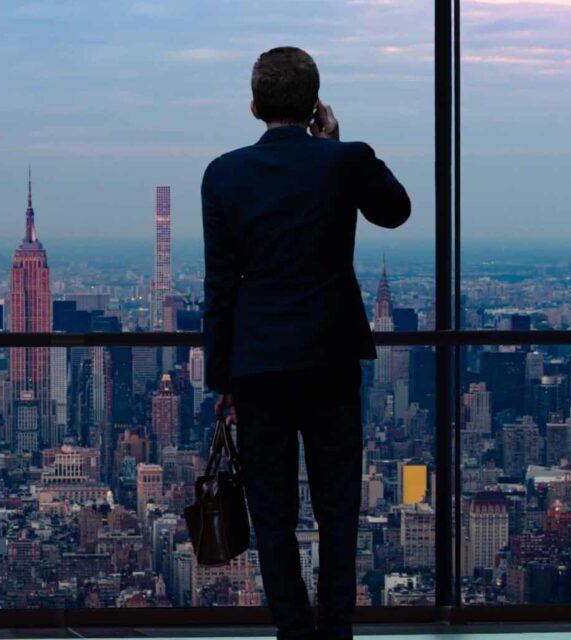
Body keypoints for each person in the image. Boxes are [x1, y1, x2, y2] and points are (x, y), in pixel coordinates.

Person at [201, 46, 410, 640]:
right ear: (316, 105)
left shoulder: (223, 174)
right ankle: (336, 631)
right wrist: (338, 144)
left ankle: (293, 632)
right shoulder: (342, 161)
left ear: (253, 106)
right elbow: (396, 211)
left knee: (272, 510)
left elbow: (220, 284)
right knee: (338, 505)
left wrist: (222, 378)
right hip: (330, 358)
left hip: (260, 364)